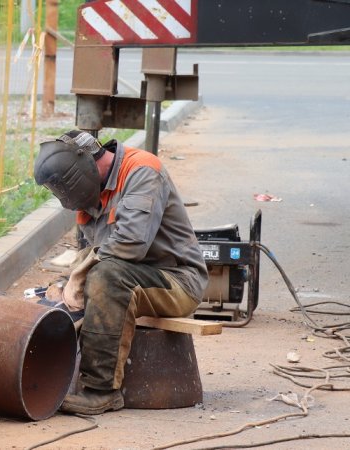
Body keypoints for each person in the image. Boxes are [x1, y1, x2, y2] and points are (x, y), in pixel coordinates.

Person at [33, 130, 209, 415]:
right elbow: (95, 252)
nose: (62, 195)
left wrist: (83, 274)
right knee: (65, 288)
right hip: (130, 275)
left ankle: (101, 391)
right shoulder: (91, 197)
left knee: (106, 279)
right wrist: (68, 284)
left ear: (84, 166)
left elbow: (131, 245)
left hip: (177, 281)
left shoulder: (142, 171)